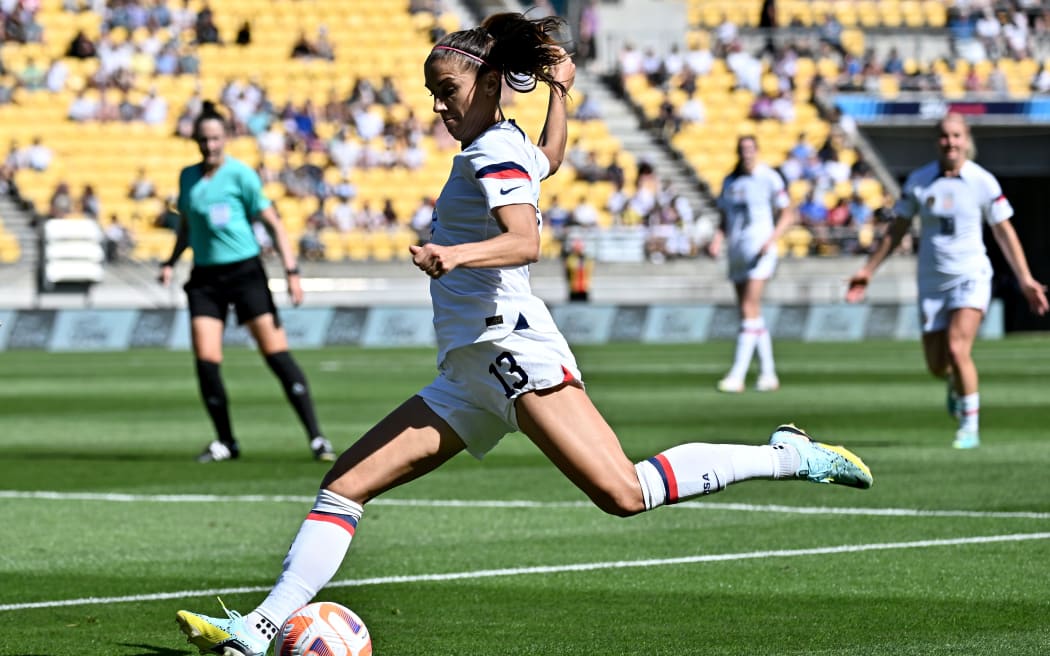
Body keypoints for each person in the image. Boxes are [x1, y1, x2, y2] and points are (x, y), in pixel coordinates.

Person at [175, 15, 872, 656]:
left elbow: (525, 239)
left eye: (446, 90)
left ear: (484, 83)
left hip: (511, 353)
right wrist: (561, 96)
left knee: (623, 492)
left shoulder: (490, 155)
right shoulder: (498, 146)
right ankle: (262, 628)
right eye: (432, 93)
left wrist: (455, 255)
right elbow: (551, 158)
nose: (439, 106)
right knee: (346, 485)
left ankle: (786, 456)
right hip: (467, 372)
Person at [846, 112, 1048, 450]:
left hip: (970, 276)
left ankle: (969, 426)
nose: (950, 142)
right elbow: (897, 229)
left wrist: (1025, 278)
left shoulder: (983, 182)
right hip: (931, 282)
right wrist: (868, 270)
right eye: (944, 136)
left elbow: (1004, 231)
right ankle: (954, 383)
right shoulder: (920, 181)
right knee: (937, 364)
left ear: (966, 139)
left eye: (956, 136)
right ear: (936, 140)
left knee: (958, 348)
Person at [159, 101, 335, 464]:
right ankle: (226, 442)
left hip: (245, 274)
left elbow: (275, 223)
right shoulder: (187, 177)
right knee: (206, 361)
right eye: (204, 140)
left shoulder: (241, 175)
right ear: (196, 140)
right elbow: (188, 228)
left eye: (216, 139)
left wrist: (292, 272)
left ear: (226, 139)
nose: (210, 146)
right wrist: (170, 261)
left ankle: (317, 438)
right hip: (205, 278)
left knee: (276, 356)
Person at [706, 135, 795, 393]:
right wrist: (717, 240)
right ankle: (768, 374)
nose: (746, 153)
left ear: (756, 151)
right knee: (751, 315)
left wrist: (771, 240)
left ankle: (738, 374)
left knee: (749, 307)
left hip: (759, 250)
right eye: (742, 149)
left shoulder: (768, 177)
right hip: (737, 252)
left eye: (750, 149)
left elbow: (788, 214)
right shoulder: (730, 181)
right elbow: (725, 218)